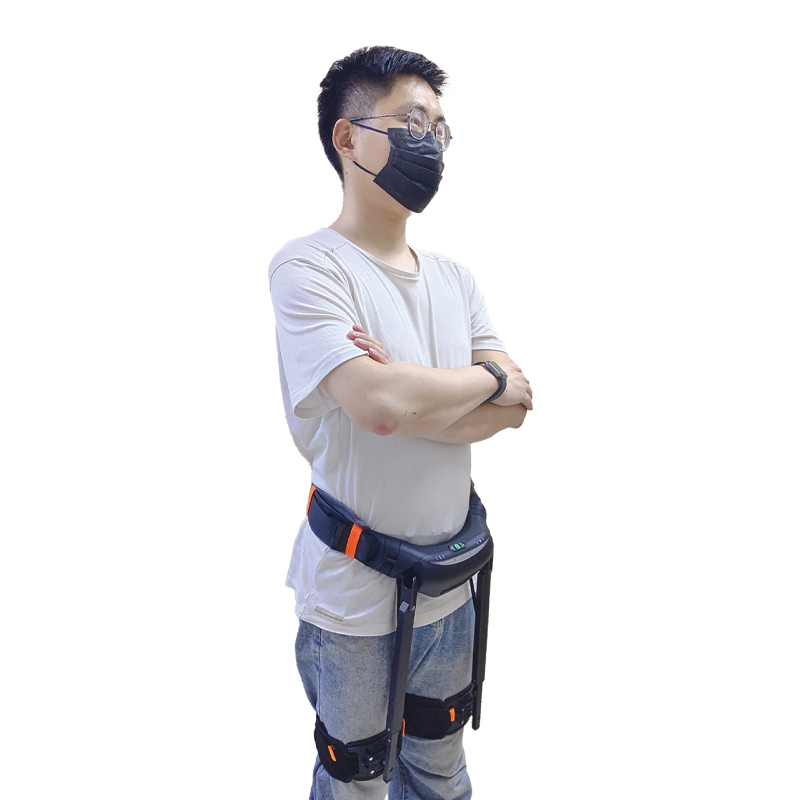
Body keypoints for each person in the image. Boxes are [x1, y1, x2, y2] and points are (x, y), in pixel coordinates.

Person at [268, 45, 533, 800]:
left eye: (441, 129)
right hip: (356, 601)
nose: (433, 144)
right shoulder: (309, 267)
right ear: (347, 137)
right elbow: (382, 407)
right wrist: (482, 380)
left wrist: (414, 389)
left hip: (453, 586)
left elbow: (514, 409)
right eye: (413, 122)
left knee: (441, 772)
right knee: (356, 782)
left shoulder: (455, 279)